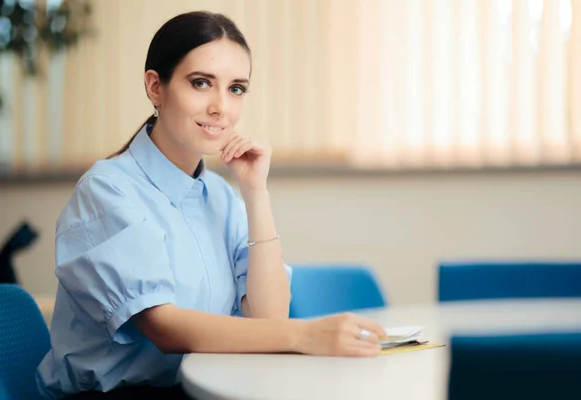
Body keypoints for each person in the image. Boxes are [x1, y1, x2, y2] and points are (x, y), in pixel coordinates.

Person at [36, 11, 387, 399]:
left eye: (236, 88)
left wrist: (256, 192)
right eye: (201, 83)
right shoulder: (108, 190)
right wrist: (307, 335)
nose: (221, 107)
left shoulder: (220, 194)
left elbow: (268, 319)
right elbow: (165, 329)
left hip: (200, 388)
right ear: (156, 87)